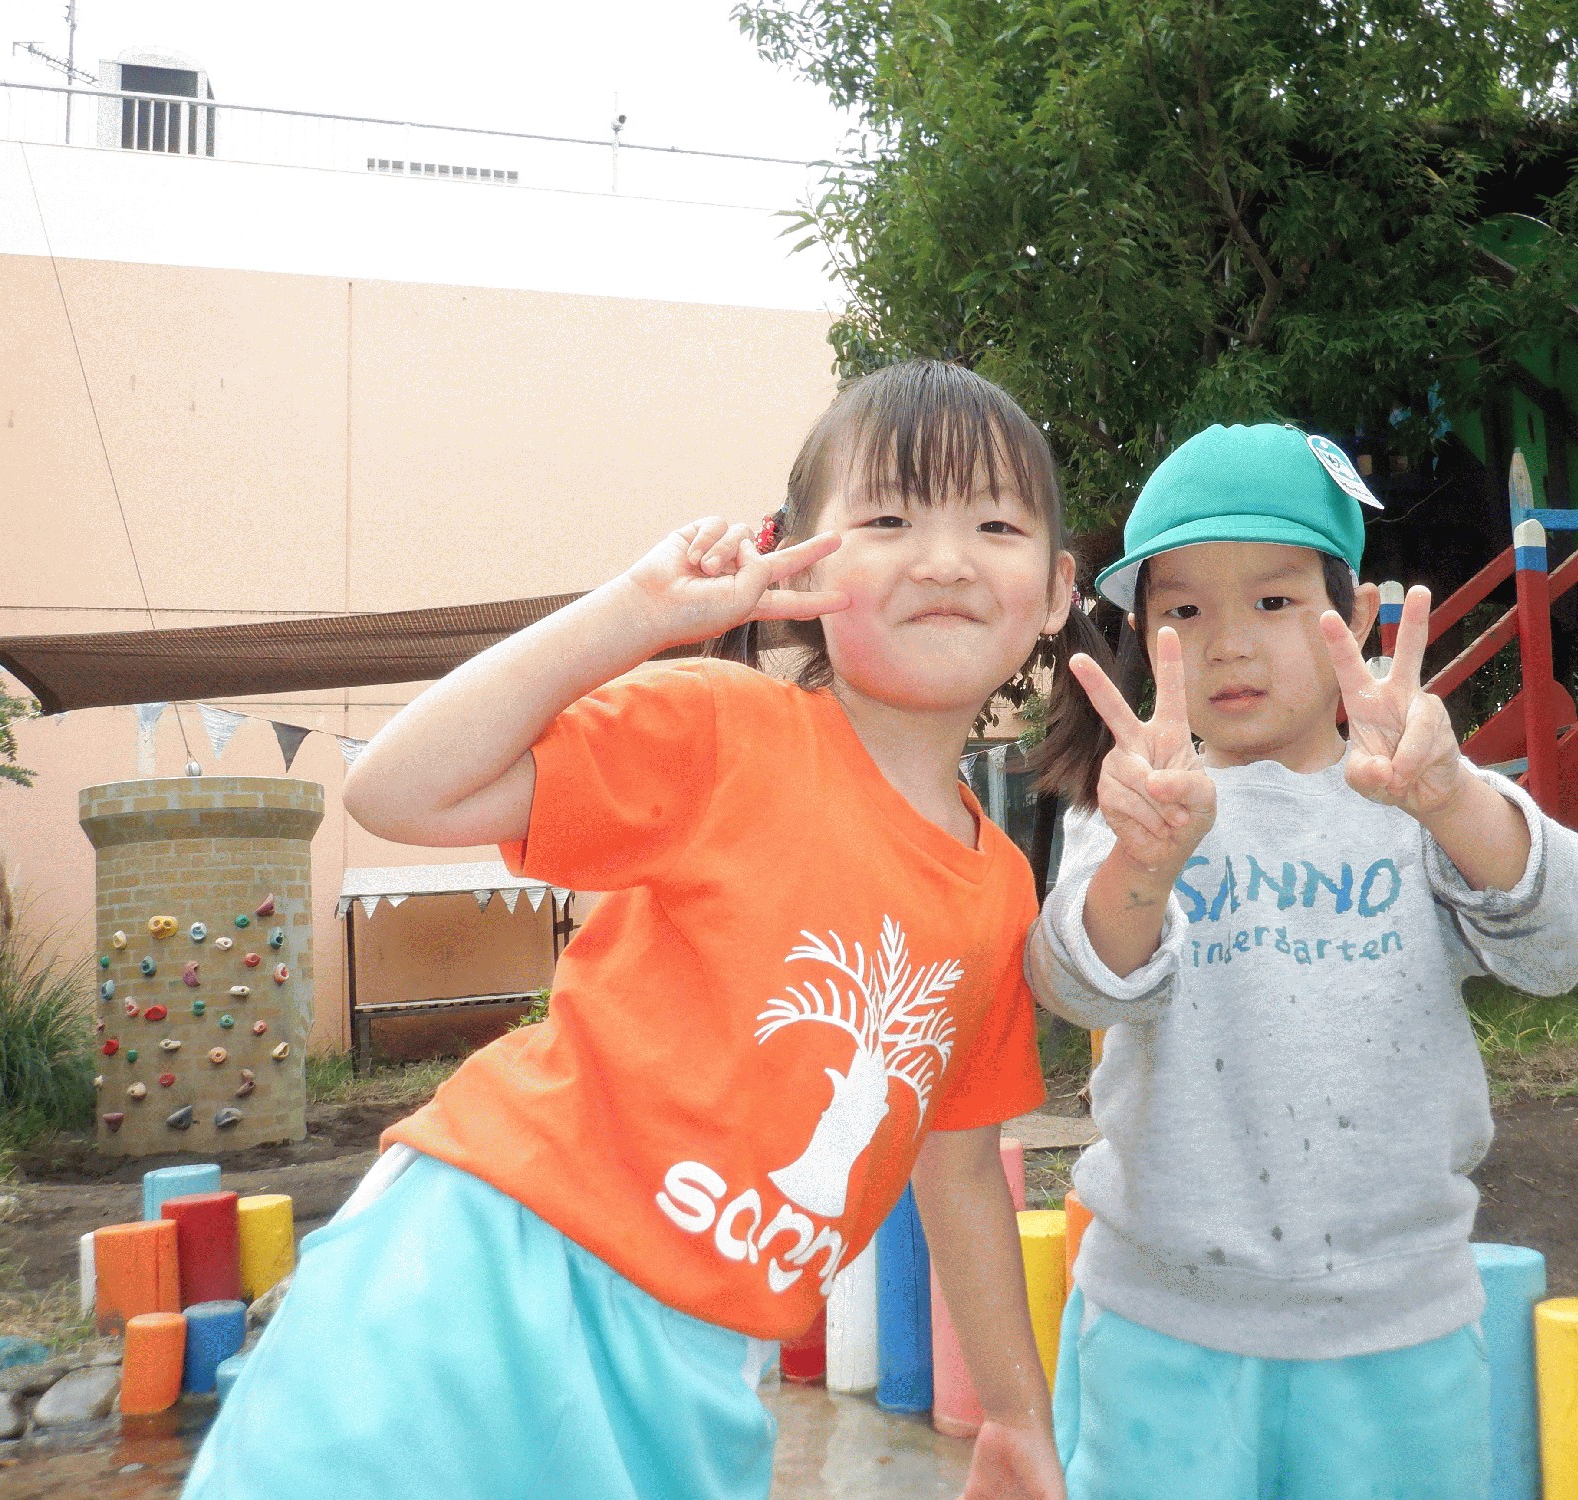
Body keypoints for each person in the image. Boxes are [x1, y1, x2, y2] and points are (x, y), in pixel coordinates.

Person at [184, 361, 1090, 1500]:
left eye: (994, 524)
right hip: (490, 1256)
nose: (944, 558)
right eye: (889, 519)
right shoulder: (725, 730)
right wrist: (634, 615)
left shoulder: (1000, 889)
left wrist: (1014, 1415)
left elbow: (957, 1169)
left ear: (1055, 590)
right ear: (796, 557)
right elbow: (398, 791)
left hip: (699, 1358)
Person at [1025, 424, 1578, 1499]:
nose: (1227, 645)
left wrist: (1453, 800)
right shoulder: (1137, 809)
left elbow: (1569, 941)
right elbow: (1070, 985)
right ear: (1143, 632)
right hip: (1162, 1326)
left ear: (1355, 617)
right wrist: (1143, 865)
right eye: (1183, 611)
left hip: (1397, 1334)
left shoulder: (1414, 794)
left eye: (1271, 600)